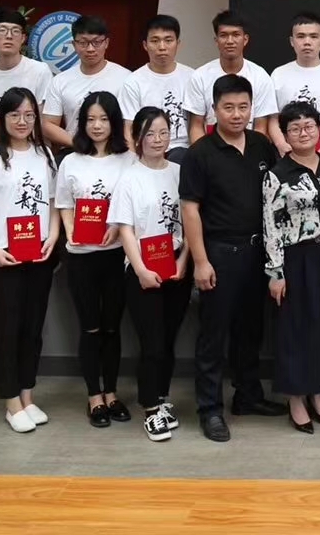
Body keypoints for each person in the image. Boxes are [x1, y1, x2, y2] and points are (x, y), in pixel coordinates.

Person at [180, 74, 285, 441]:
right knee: (214, 335)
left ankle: (248, 395)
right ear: (214, 110)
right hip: (220, 254)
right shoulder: (200, 153)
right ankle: (209, 409)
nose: (237, 114)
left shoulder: (261, 145)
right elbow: (190, 209)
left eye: (243, 107)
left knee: (250, 329)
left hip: (258, 253)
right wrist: (201, 261)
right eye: (228, 107)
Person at [0, 86, 61, 433]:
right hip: (2, 256)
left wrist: (54, 235)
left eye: (29, 115)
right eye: (14, 114)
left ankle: (27, 396)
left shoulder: (45, 154)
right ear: (2, 118)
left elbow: (54, 202)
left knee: (32, 328)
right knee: (6, 329)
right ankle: (10, 402)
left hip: (39, 254)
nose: (22, 121)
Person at [263, 102, 320, 434]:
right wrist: (275, 273)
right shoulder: (277, 174)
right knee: (296, 328)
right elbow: (270, 225)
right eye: (295, 129)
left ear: (319, 130)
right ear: (285, 135)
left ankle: (316, 393)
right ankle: (295, 399)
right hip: (296, 258)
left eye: (309, 127)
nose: (303, 133)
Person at [110, 107, 192, 442]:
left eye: (163, 133)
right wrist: (141, 269)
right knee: (152, 342)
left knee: (169, 339)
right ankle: (149, 407)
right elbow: (126, 230)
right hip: (142, 268)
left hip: (177, 265)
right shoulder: (129, 178)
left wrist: (184, 260)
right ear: (136, 139)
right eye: (149, 134)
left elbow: (191, 220)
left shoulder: (180, 172)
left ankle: (162, 397)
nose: (157, 140)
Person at [54, 92, 134, 427]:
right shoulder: (71, 161)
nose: (97, 126)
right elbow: (63, 204)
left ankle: (112, 392)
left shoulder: (128, 159)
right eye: (90, 119)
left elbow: (132, 202)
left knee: (112, 328)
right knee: (90, 328)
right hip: (81, 257)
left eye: (103, 119)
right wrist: (71, 231)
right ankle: (94, 396)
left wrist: (117, 228)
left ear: (114, 122)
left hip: (116, 255)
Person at [42, 15, 141, 150]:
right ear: (74, 45)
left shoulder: (126, 78)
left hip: (113, 151)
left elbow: (130, 124)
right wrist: (80, 144)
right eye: (83, 43)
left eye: (96, 42)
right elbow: (48, 124)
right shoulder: (60, 80)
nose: (90, 49)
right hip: (74, 148)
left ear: (106, 43)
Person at [185, 11, 280, 148]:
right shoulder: (200, 76)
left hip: (249, 150)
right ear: (216, 41)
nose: (230, 41)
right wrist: (204, 155)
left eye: (236, 35)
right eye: (224, 35)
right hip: (210, 150)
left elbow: (260, 127)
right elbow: (196, 126)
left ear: (245, 39)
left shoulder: (260, 77)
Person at [0, 9, 54, 149]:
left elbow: (42, 118)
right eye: (2, 30)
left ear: (23, 38)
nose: (9, 36)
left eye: (15, 31)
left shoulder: (39, 71)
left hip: (31, 148)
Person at [270, 12, 320, 156]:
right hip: (288, 146)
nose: (307, 42)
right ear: (292, 41)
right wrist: (281, 145)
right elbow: (272, 118)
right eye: (300, 36)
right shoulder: (278, 74)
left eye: (313, 36)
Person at [131, 15, 194, 160]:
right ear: (145, 45)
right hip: (147, 152)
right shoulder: (134, 81)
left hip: (184, 152)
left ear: (178, 44)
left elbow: (200, 123)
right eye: (155, 41)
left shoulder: (192, 77)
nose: (162, 47)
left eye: (168, 40)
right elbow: (128, 128)